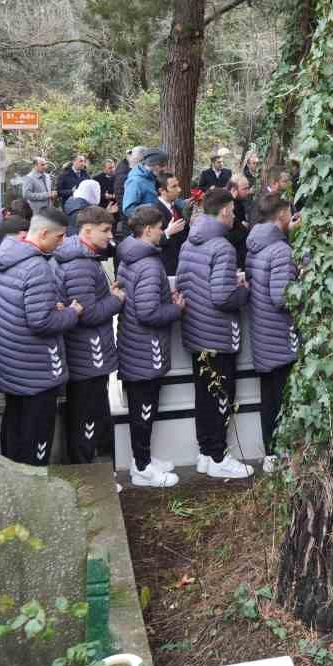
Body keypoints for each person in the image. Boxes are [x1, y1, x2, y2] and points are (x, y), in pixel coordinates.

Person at [0, 208, 80, 466]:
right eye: (59, 237)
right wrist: (72, 313)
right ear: (44, 232)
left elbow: (17, 309)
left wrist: (50, 309)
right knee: (37, 434)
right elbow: (41, 322)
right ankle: (35, 491)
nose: (62, 243)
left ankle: (11, 485)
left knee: (14, 427)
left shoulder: (1, 258)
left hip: (10, 363)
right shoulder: (38, 267)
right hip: (36, 367)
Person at [179, 188, 253, 479]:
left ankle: (206, 454)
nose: (234, 216)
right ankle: (219, 455)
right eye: (233, 211)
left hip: (196, 332)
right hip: (219, 334)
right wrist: (244, 292)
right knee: (222, 394)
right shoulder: (222, 247)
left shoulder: (189, 242)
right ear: (224, 211)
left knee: (204, 394)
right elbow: (222, 297)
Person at [116, 206, 183, 488]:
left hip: (135, 346)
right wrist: (176, 308)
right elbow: (147, 313)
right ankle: (142, 468)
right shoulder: (148, 264)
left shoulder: (130, 257)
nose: (162, 232)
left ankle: (141, 459)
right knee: (143, 409)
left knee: (143, 408)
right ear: (147, 231)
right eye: (159, 227)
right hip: (145, 350)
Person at [54, 207, 124, 467]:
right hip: (87, 352)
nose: (110, 236)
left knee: (89, 409)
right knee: (86, 412)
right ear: (86, 230)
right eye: (105, 231)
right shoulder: (81, 264)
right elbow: (87, 313)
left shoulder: (86, 258)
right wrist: (116, 300)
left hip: (89, 351)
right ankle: (86, 471)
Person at [246, 194, 298, 472]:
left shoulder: (255, 245)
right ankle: (280, 454)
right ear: (282, 216)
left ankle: (272, 453)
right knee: (282, 397)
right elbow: (281, 297)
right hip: (280, 337)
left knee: (270, 397)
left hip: (263, 335)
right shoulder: (280, 251)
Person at [154, 173, 190, 275]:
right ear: (161, 191)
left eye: (178, 185)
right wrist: (168, 232)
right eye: (174, 187)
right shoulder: (154, 211)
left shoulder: (178, 208)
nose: (179, 190)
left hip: (180, 264)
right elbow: (151, 241)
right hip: (165, 268)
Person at [120, 147, 161, 217]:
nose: (164, 168)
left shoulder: (152, 177)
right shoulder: (135, 181)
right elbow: (128, 209)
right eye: (161, 165)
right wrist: (152, 208)